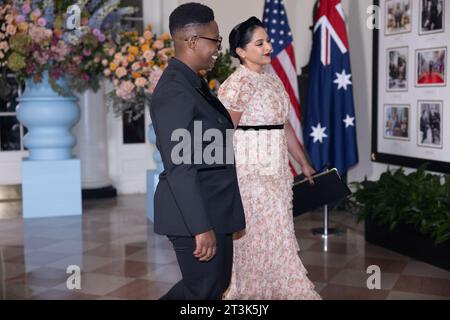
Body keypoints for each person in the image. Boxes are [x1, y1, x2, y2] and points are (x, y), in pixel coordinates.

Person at [218, 17, 321, 300]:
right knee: (251, 240)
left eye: (268, 41)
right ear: (240, 51)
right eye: (259, 42)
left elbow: (284, 125)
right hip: (250, 178)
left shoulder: (272, 81)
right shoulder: (235, 85)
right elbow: (225, 132)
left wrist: (303, 162)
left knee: (280, 237)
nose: (268, 47)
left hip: (277, 175)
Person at [149, 3, 246, 300]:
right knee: (202, 291)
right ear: (191, 41)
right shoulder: (175, 90)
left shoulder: (193, 83)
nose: (219, 47)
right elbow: (180, 167)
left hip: (214, 206)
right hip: (194, 213)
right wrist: (200, 227)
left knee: (212, 289)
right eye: (214, 40)